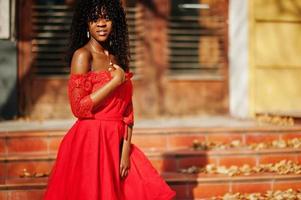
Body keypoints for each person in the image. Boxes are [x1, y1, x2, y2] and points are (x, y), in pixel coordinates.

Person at [43, 0, 176, 199]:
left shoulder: (118, 58)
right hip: (91, 142)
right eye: (95, 19)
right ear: (86, 24)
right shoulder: (82, 56)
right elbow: (78, 108)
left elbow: (127, 111)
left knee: (142, 188)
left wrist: (124, 150)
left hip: (117, 142)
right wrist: (113, 83)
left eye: (106, 18)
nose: (101, 24)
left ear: (115, 22)